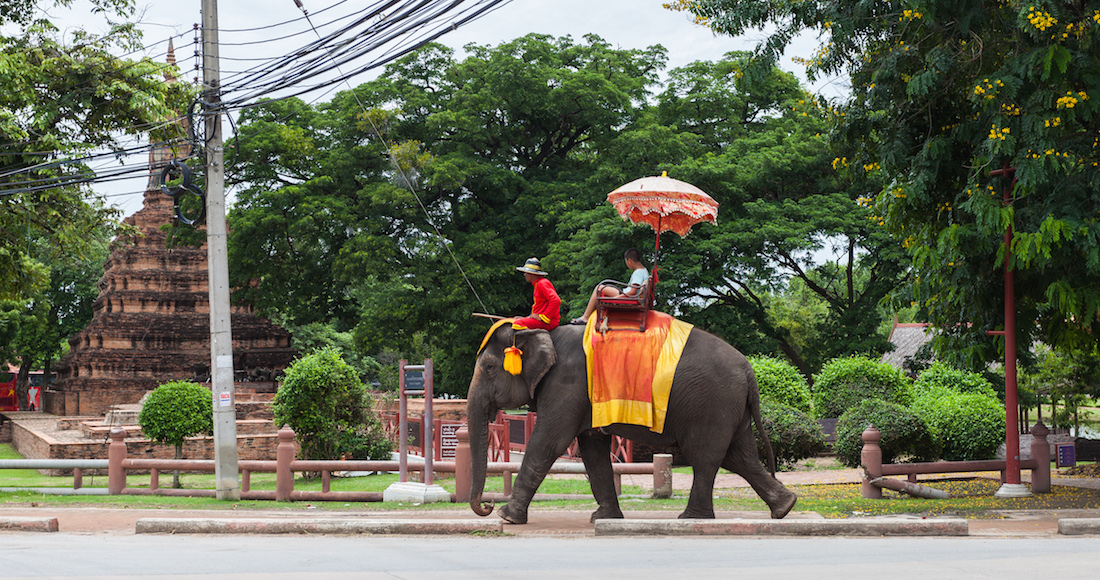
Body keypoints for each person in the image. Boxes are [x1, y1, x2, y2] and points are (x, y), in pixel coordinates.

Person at [571, 247, 649, 324]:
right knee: (604, 287)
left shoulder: (638, 273)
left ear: (629, 261)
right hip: (626, 293)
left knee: (599, 287)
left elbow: (633, 291)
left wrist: (616, 298)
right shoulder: (644, 270)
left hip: (627, 296)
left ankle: (585, 317)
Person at [512, 257, 562, 331]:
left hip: (547, 322)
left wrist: (543, 317)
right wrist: (527, 318)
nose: (524, 275)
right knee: (517, 320)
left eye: (526, 272)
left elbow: (556, 300)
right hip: (542, 320)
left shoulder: (542, 283)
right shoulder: (537, 284)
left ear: (532, 274)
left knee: (517, 324)